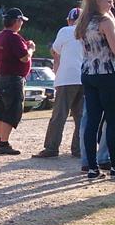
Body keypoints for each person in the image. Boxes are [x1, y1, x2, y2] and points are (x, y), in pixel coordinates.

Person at [77, 0, 115, 179]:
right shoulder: (105, 21)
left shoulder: (83, 22)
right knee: (112, 121)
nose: (111, 5)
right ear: (98, 2)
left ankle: (92, 167)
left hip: (88, 73)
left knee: (92, 121)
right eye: (108, 1)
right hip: (108, 73)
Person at [35, 8, 85, 158]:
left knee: (59, 115)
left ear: (70, 20)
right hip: (84, 77)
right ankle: (78, 149)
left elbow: (54, 51)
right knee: (81, 116)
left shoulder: (65, 31)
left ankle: (51, 148)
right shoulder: (88, 32)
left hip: (66, 78)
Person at [0, 8, 35, 155]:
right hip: (12, 79)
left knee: (0, 110)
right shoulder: (13, 37)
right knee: (11, 111)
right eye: (21, 20)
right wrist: (30, 49)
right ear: (16, 21)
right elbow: (24, 57)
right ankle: (4, 143)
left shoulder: (0, 35)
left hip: (0, 77)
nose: (22, 23)